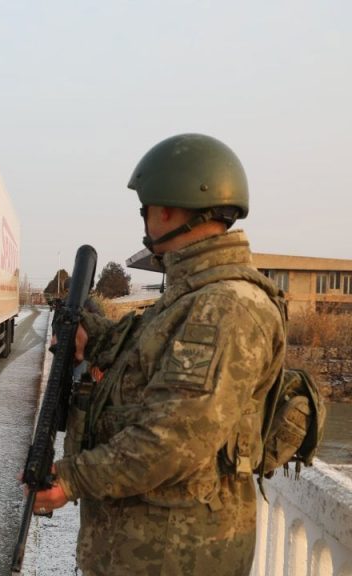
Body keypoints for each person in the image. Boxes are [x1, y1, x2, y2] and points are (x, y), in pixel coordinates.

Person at [31, 134, 286, 575]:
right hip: (144, 547)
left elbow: (173, 439)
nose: (146, 220)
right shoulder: (192, 297)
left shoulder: (225, 306)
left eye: (146, 209)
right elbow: (143, 363)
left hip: (174, 554)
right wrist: (91, 333)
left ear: (167, 209)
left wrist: (72, 478)